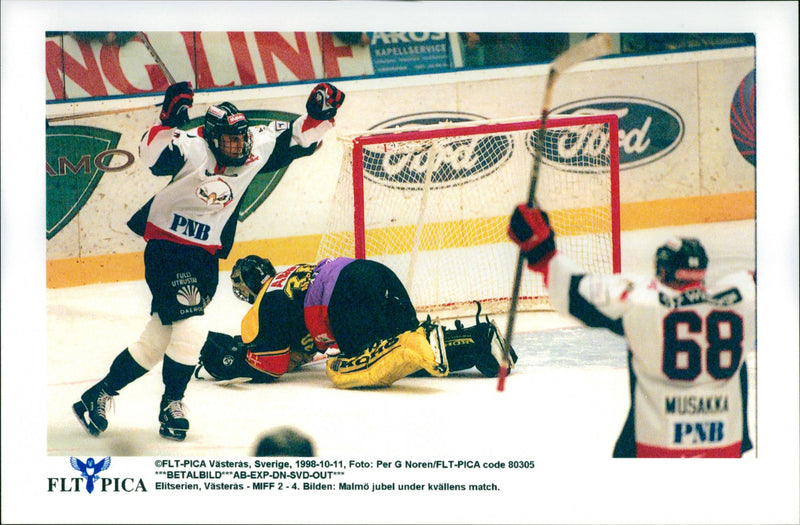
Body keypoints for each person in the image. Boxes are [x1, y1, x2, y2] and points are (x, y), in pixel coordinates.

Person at [72, 81, 345, 441]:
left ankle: (97, 395)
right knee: (193, 329)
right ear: (212, 137)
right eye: (230, 140)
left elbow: (299, 136)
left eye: (241, 138)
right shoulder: (193, 148)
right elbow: (152, 156)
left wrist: (321, 115)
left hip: (205, 257)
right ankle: (173, 402)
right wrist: (168, 119)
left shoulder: (254, 146)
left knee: (156, 340)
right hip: (167, 249)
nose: (239, 146)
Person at [507, 203, 755, 458]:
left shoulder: (641, 302)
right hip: (726, 445)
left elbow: (571, 291)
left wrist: (542, 250)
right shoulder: (743, 298)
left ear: (661, 270)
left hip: (655, 447)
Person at [195, 255, 516, 388]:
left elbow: (271, 366)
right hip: (375, 274)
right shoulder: (292, 273)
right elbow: (301, 347)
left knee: (345, 369)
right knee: (403, 357)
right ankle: (479, 341)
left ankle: (417, 341)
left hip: (344, 299)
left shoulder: (263, 303)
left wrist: (229, 360)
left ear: (246, 289)